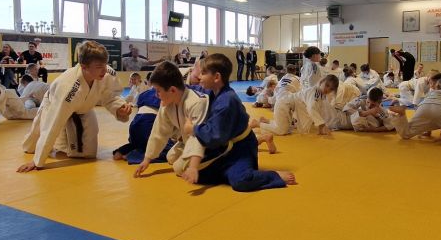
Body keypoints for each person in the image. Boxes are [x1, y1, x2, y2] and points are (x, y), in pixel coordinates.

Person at [176, 54, 293, 190]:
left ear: (216, 77)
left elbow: (215, 136)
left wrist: (193, 129)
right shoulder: (213, 91)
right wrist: (176, 87)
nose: (199, 77)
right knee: (197, 174)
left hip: (242, 149)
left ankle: (274, 176)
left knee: (241, 181)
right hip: (225, 148)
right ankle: (228, 171)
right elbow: (193, 90)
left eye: (203, 73)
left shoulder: (227, 101)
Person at [18, 41, 133, 171]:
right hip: (54, 105)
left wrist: (119, 107)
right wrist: (37, 161)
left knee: (88, 153)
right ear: (84, 66)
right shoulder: (68, 87)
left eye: (105, 64)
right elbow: (54, 123)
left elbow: (109, 95)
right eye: (99, 66)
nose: (105, 70)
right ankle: (40, 144)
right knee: (32, 145)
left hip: (83, 107)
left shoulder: (106, 73)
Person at [131, 62, 206, 174]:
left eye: (158, 91)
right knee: (170, 157)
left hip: (207, 143)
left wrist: (193, 167)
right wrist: (147, 159)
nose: (156, 95)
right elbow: (159, 132)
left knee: (178, 168)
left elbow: (198, 138)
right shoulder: (167, 103)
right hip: (187, 140)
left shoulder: (196, 102)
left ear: (172, 90)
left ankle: (217, 159)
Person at [255, 74, 338, 137]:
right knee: (282, 131)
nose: (327, 89)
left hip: (287, 106)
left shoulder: (320, 95)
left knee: (289, 128)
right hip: (283, 104)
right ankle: (257, 124)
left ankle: (267, 121)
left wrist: (320, 128)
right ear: (322, 81)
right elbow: (311, 109)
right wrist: (322, 125)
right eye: (327, 85)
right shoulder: (315, 92)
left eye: (331, 89)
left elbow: (317, 110)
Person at [387, 76, 441, 143]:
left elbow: (429, 108)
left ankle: (402, 114)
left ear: (437, 86)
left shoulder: (432, 93)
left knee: (406, 134)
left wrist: (427, 130)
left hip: (422, 108)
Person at [115, 75, 172, 165]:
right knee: (170, 150)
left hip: (135, 125)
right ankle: (134, 155)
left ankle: (122, 151)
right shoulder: (168, 93)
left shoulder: (144, 94)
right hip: (148, 124)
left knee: (140, 143)